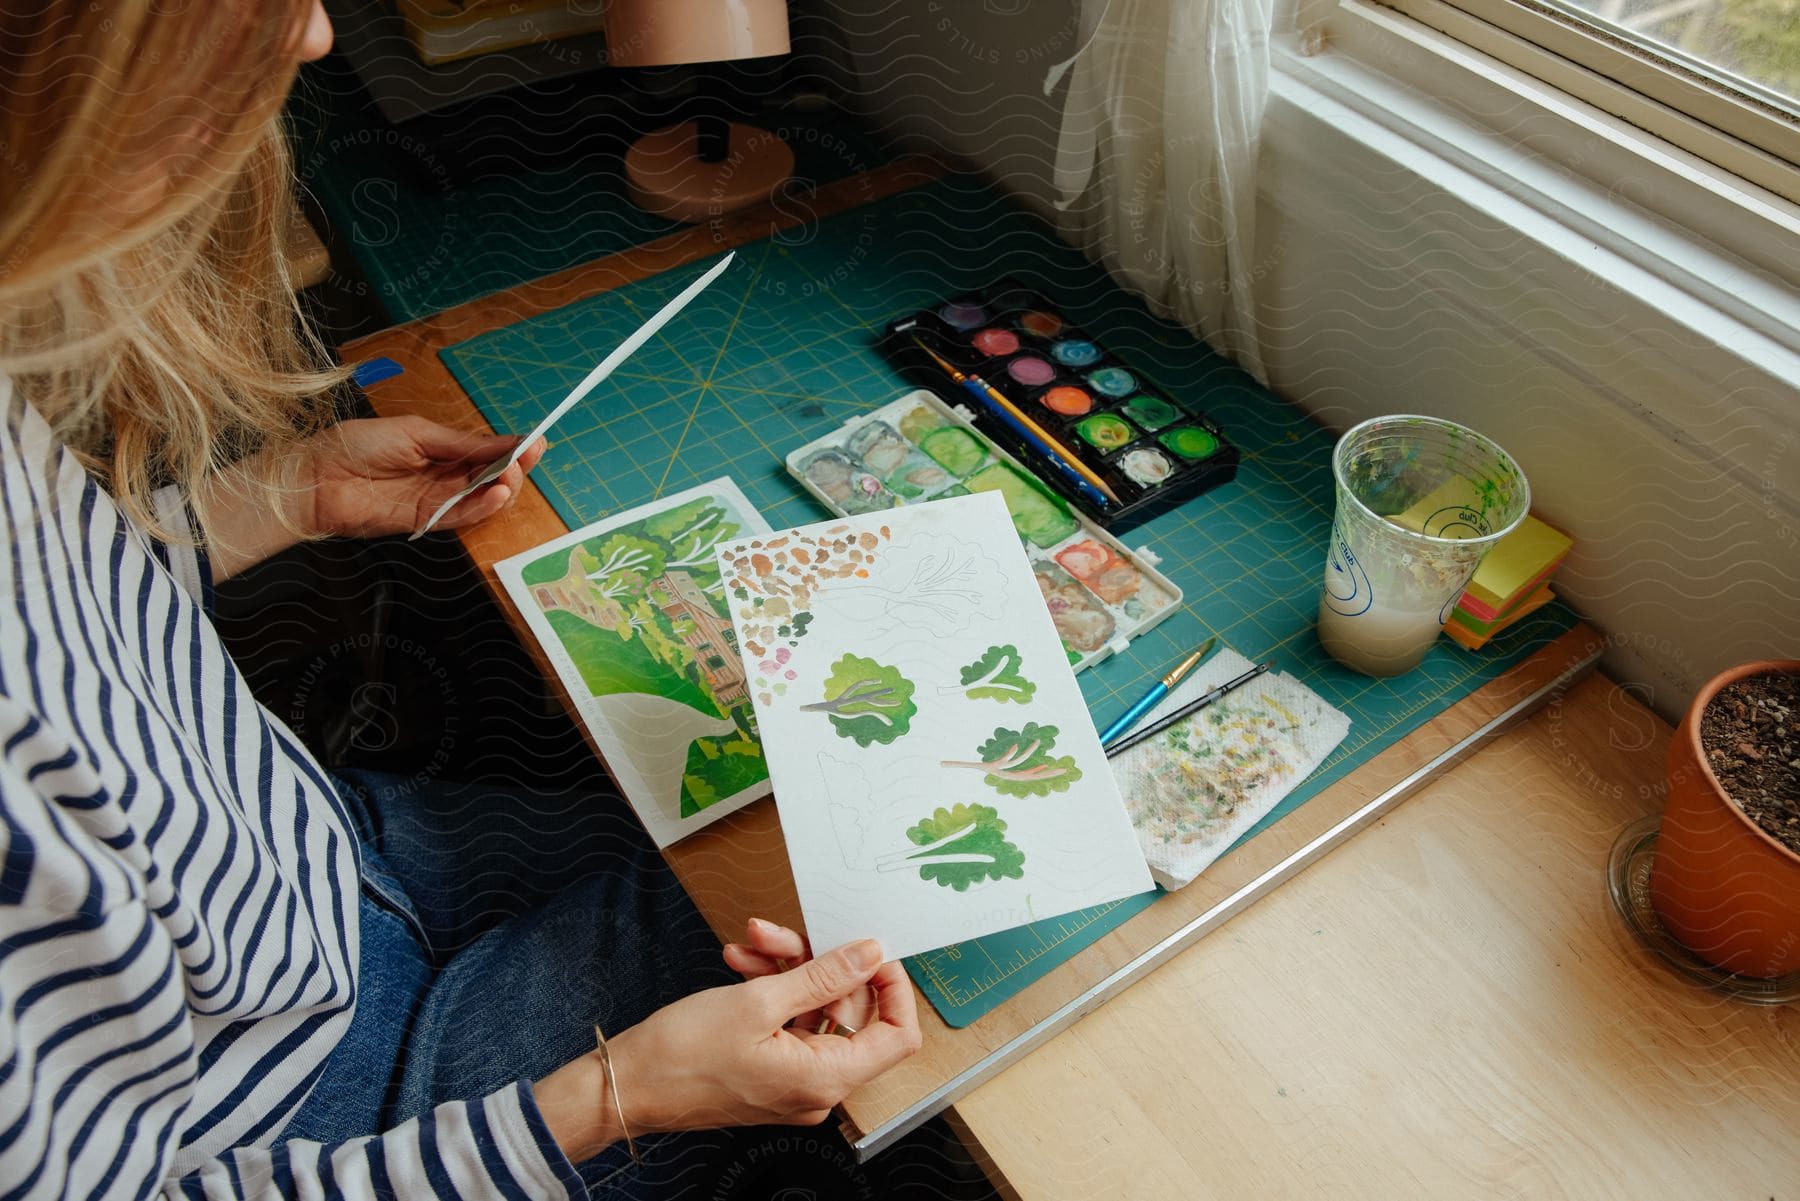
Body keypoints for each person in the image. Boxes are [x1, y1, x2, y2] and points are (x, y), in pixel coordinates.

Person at [0, 3, 922, 1198]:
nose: (317, 32)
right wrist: (620, 1096)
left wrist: (284, 496)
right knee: (867, 920)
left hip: (322, 872)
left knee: (773, 855)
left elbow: (45, 617)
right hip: (320, 1114)